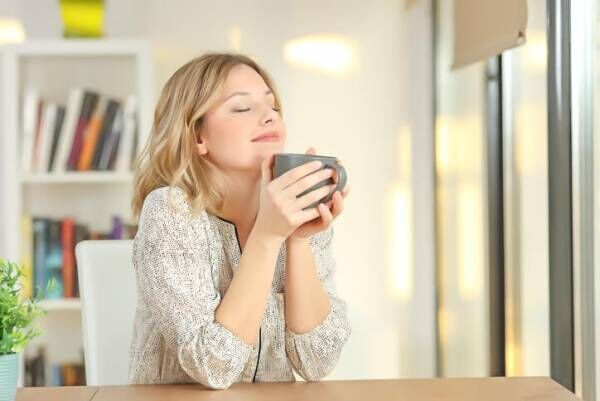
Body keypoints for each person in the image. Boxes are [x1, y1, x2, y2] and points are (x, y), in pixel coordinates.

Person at [129, 53, 351, 390]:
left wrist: (297, 239)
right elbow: (212, 366)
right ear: (197, 136)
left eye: (273, 107)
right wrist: (267, 236)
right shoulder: (170, 211)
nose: (268, 118)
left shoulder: (293, 212)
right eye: (242, 108)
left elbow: (317, 361)